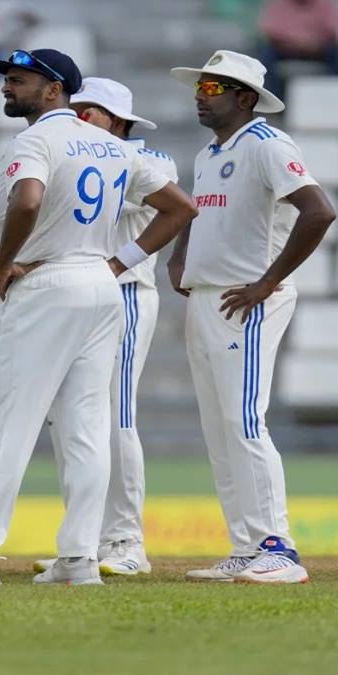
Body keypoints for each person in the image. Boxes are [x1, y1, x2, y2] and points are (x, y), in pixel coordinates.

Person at [0, 49, 196, 586]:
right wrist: (118, 262)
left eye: (19, 80)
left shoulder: (35, 139)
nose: (7, 88)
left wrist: (4, 262)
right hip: (101, 285)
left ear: (54, 89)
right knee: (87, 428)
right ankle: (79, 559)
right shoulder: (112, 145)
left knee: (10, 423)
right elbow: (181, 207)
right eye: (8, 80)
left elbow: (27, 201)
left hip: (49, 283)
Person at [167, 50, 334, 584]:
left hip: (249, 300)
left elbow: (320, 211)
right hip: (208, 298)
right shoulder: (210, 152)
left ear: (245, 98)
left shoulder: (267, 144)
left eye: (213, 88)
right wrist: (179, 256)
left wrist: (266, 281)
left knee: (243, 422)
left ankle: (278, 549)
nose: (201, 96)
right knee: (219, 429)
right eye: (200, 87)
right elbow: (201, 211)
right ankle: (246, 545)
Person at [31, 77, 179, 578]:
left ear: (115, 120)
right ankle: (84, 540)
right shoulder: (73, 152)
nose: (77, 120)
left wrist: (118, 264)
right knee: (70, 419)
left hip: (126, 292)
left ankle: (126, 540)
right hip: (73, 293)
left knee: (116, 415)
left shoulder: (152, 160)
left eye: (88, 112)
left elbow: (161, 208)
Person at [258, 0, 338, 99]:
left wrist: (313, 44)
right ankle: (271, 99)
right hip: (285, 50)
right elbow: (272, 33)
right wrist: (295, 43)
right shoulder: (278, 4)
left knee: (335, 54)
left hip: (318, 51)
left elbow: (331, 33)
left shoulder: (325, 4)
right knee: (265, 58)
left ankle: (332, 97)